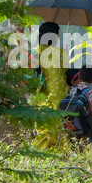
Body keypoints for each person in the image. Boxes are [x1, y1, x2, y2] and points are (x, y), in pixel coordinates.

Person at [32, 22, 69, 150]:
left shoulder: (34, 52)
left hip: (39, 99)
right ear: (55, 36)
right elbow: (64, 75)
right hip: (57, 99)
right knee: (58, 132)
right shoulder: (59, 53)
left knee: (42, 132)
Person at [68, 66, 92, 144]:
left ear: (79, 76)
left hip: (71, 122)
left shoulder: (72, 88)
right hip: (85, 122)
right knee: (86, 142)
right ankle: (83, 155)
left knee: (74, 143)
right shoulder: (89, 91)